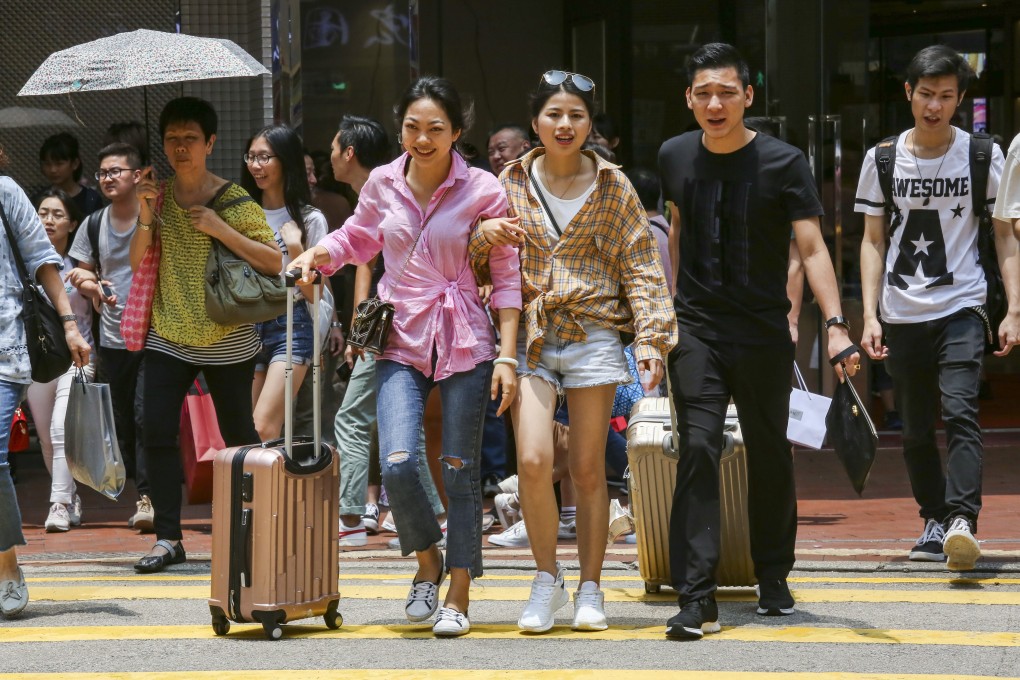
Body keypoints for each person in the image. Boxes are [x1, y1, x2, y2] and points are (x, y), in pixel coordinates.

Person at [291, 76, 521, 637]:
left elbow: (508, 278)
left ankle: (460, 593)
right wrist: (315, 257)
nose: (422, 138)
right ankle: (428, 561)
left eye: (435, 128)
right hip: (400, 336)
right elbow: (357, 238)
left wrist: (509, 357)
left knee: (460, 471)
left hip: (466, 336)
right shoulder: (382, 183)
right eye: (412, 127)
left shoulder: (484, 189)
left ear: (457, 133)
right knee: (395, 460)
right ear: (400, 130)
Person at [658, 43, 857, 640]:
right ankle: (696, 597)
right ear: (688, 99)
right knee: (695, 448)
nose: (714, 103)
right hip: (696, 331)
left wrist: (836, 325)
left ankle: (773, 574)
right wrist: (667, 312)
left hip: (765, 332)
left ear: (748, 96)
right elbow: (676, 229)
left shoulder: (783, 161)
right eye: (702, 93)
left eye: (726, 92)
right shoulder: (673, 155)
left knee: (770, 453)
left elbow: (813, 247)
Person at [480, 69, 676, 633]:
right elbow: (477, 254)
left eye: (577, 116)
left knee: (589, 469)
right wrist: (484, 235)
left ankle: (591, 587)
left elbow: (640, 265)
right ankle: (547, 580)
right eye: (554, 115)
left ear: (590, 124)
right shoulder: (509, 182)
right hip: (532, 335)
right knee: (535, 461)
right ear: (535, 121)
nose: (565, 125)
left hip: (593, 331)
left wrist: (651, 339)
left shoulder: (614, 186)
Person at [856, 45, 1018, 571]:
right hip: (902, 310)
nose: (934, 106)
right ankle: (934, 517)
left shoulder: (981, 154)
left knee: (961, 409)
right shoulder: (882, 158)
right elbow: (873, 239)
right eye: (926, 94)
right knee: (917, 425)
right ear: (908, 93)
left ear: (960, 99)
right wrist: (870, 315)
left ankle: (962, 522)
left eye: (947, 96)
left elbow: (1004, 236)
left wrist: (1014, 307)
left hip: (962, 304)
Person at [129, 96, 280, 573]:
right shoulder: (160, 195)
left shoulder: (232, 199)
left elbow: (275, 260)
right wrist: (146, 211)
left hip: (226, 337)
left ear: (210, 142)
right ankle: (169, 538)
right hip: (168, 333)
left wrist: (219, 228)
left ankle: (255, 529)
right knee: (155, 432)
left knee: (239, 437)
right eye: (172, 139)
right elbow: (136, 262)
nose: (180, 147)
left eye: (190, 138)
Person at [324, 114, 444, 547]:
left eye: (333, 148)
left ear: (349, 152)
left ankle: (352, 517)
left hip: (398, 322)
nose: (329, 156)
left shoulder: (384, 187)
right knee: (399, 425)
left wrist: (360, 327)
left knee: (355, 417)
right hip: (394, 322)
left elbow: (363, 260)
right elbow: (363, 257)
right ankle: (433, 516)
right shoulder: (379, 187)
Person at [1, 155, 91, 618]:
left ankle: (7, 565)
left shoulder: (7, 192)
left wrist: (70, 324)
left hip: (5, 347)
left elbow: (42, 261)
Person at [65, 142, 154, 532]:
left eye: (115, 171)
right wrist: (93, 286)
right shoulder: (94, 223)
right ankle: (138, 489)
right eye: (102, 173)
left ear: (138, 175)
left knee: (145, 417)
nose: (107, 178)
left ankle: (149, 499)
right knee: (121, 423)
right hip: (112, 338)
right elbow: (78, 272)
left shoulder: (155, 217)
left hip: (155, 336)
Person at [241, 125, 333, 442]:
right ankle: (254, 493)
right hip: (246, 324)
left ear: (286, 161)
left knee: (265, 427)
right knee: (246, 434)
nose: (255, 165)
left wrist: (295, 249)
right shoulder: (241, 214)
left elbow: (315, 293)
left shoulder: (310, 219)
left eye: (264, 157)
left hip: (292, 325)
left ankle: (272, 492)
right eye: (251, 157)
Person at [25, 190, 95, 533]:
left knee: (59, 428)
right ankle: (71, 496)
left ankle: (59, 504)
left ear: (73, 223)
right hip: (37, 362)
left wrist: (96, 287)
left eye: (57, 214)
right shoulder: (24, 263)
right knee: (48, 439)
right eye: (42, 213)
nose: (48, 220)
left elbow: (101, 304)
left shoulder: (81, 266)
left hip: (78, 356)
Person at [37, 133, 104, 217]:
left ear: (75, 164)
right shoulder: (39, 198)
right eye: (47, 164)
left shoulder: (91, 199)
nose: (53, 170)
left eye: (59, 164)